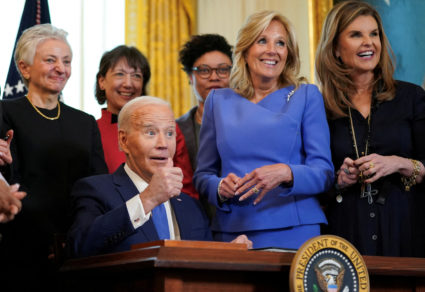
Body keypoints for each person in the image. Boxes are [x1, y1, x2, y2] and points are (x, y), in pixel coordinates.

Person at [193, 10, 334, 249]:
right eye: (262, 41)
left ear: (288, 53)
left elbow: (324, 173)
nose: (272, 50)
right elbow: (203, 176)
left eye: (281, 43)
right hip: (233, 232)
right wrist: (218, 187)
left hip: (296, 231)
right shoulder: (217, 101)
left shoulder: (306, 95)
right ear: (245, 50)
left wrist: (286, 173)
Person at [68, 96, 251, 257]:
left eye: (170, 133)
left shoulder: (190, 205)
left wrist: (226, 253)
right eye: (151, 132)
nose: (163, 144)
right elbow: (79, 247)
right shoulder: (96, 190)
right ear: (124, 141)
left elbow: (198, 262)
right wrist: (148, 199)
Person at [0, 24, 107, 290]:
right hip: (21, 248)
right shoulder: (5, 113)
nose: (61, 68)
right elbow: (8, 183)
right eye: (51, 60)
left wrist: (77, 239)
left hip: (78, 248)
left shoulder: (85, 123)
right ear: (24, 68)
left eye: (66, 61)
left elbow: (97, 185)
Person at [316, 1, 425, 257]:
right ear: (335, 49)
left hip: (405, 232)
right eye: (356, 35)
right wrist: (338, 180)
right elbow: (312, 180)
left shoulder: (411, 97)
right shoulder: (319, 108)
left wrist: (399, 163)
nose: (369, 42)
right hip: (345, 235)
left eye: (374, 34)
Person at [95, 45, 199, 199]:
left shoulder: (169, 129)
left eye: (136, 76)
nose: (128, 83)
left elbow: (186, 188)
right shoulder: (91, 130)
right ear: (102, 81)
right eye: (119, 74)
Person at [177, 34, 232, 220]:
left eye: (223, 70)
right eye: (204, 70)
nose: (214, 77)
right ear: (190, 77)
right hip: (192, 227)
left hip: (239, 225)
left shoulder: (249, 123)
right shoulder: (175, 130)